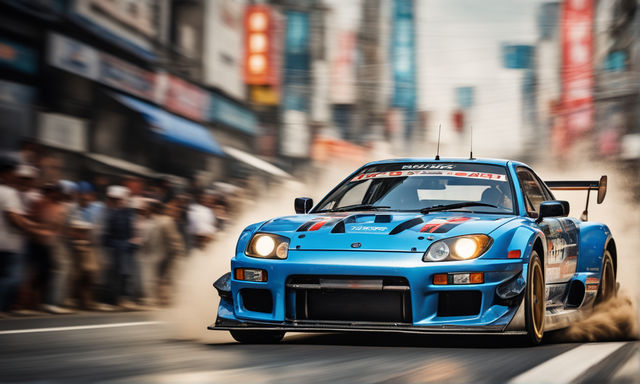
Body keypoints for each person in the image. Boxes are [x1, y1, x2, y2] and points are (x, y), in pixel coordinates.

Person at [0, 157, 46, 316]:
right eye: (14, 173)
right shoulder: (9, 192)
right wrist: (32, 229)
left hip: (11, 242)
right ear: (7, 173)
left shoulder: (24, 193)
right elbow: (14, 217)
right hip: (10, 243)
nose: (16, 176)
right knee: (13, 277)